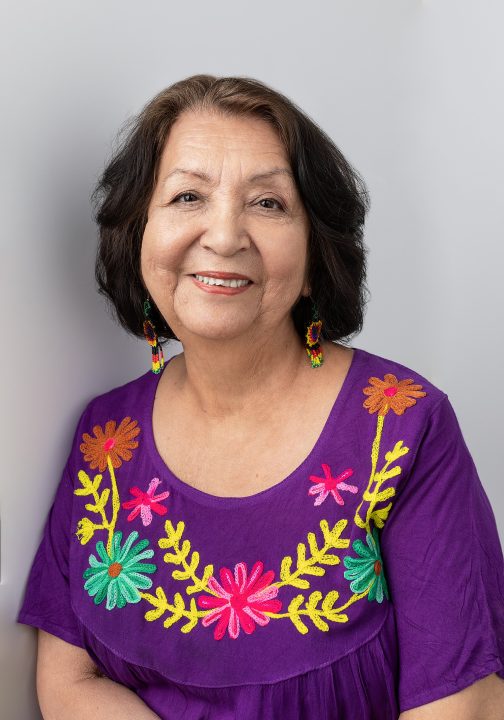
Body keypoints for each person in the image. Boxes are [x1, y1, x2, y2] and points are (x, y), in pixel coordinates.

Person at [17, 74, 504, 720]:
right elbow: (67, 681)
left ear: (314, 252)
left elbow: (463, 706)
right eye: (188, 196)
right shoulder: (106, 439)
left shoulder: (406, 429)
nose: (224, 236)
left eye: (268, 203)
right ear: (138, 237)